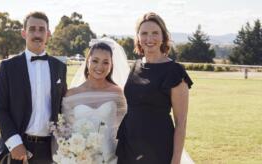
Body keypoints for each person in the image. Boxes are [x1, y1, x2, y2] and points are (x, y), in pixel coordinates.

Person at [116, 12, 194, 164]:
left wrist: (176, 160)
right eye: (144, 33)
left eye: (155, 33)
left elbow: (181, 122)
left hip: (158, 147)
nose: (149, 38)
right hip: (129, 144)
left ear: (163, 36)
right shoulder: (135, 66)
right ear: (138, 37)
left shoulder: (174, 71)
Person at [0, 11, 67, 164]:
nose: (37, 34)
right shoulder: (8, 67)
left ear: (48, 34)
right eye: (32, 29)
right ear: (23, 33)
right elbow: (0, 109)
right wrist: (14, 143)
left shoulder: (59, 67)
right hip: (17, 148)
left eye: (41, 29)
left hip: (50, 150)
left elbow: (64, 106)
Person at [61, 38, 129, 164]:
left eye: (105, 62)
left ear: (111, 65)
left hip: (110, 157)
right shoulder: (72, 94)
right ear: (87, 62)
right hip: (80, 159)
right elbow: (65, 131)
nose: (99, 67)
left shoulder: (118, 94)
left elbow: (124, 128)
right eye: (95, 61)